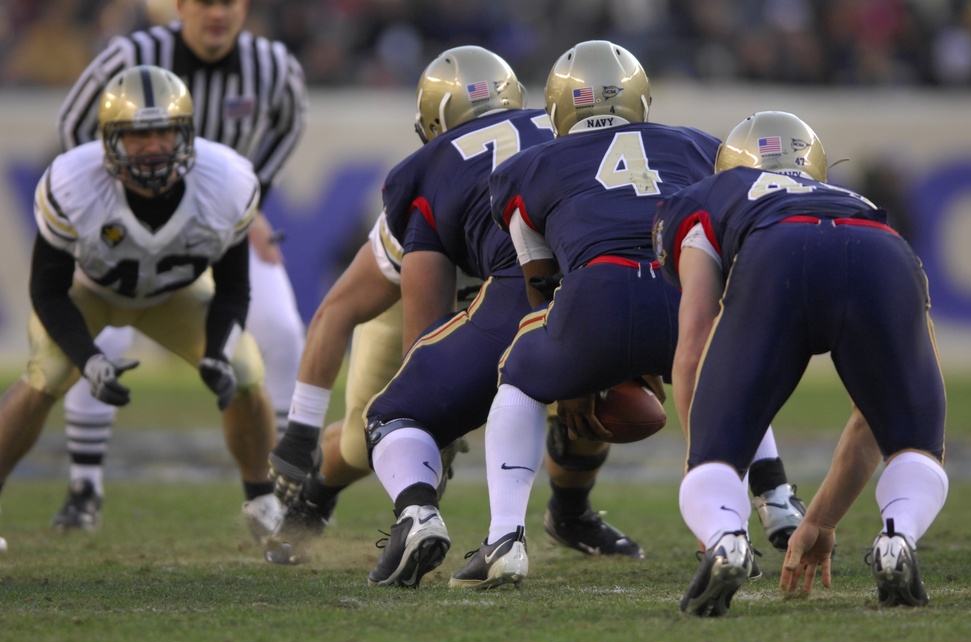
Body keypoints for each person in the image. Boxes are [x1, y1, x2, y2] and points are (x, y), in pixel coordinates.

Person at [266, 45, 651, 574]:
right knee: (367, 439)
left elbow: (332, 312)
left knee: (582, 389)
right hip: (444, 305)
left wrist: (298, 431)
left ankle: (569, 512)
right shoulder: (531, 152)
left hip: (521, 290)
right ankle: (313, 495)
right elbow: (375, 324)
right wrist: (304, 439)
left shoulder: (453, 167)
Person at [448, 40, 804, 590]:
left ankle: (504, 539)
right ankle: (775, 501)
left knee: (516, 379)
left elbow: (540, 281)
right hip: (680, 287)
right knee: (726, 373)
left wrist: (573, 372)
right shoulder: (695, 146)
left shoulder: (527, 167)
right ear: (639, 98)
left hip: (599, 289)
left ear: (558, 107)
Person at [652, 110, 948, 616]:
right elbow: (867, 421)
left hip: (777, 250)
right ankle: (897, 538)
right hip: (883, 252)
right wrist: (823, 520)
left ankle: (727, 540)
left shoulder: (706, 199)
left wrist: (704, 460)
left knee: (715, 457)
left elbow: (695, 344)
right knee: (914, 444)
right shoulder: (862, 204)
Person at [0, 65, 284, 549]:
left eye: (163, 131)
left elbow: (234, 288)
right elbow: (47, 290)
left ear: (186, 134)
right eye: (137, 135)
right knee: (46, 373)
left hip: (172, 298)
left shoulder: (227, 181)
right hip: (87, 294)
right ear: (110, 140)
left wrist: (215, 351)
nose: (153, 147)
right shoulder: (73, 182)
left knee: (243, 368)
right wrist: (87, 359)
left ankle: (262, 498)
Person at [51, 0, 306, 531]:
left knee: (280, 328)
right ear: (181, 6)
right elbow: (73, 123)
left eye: (229, 2)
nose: (217, 13)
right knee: (99, 334)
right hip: (129, 222)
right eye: (205, 2)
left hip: (216, 226)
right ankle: (85, 484)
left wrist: (252, 200)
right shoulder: (132, 54)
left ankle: (280, 483)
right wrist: (105, 201)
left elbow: (291, 121)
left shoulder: (273, 64)